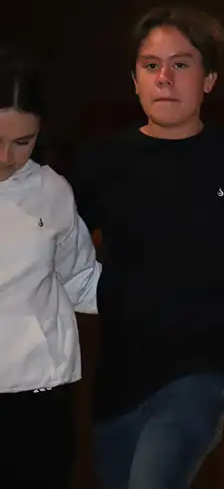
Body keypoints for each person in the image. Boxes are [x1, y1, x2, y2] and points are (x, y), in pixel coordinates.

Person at [70, 8, 224, 489]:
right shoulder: (102, 162)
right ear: (134, 79)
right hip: (117, 381)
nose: (164, 77)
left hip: (202, 373)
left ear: (209, 79)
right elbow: (60, 250)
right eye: (150, 65)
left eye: (181, 64)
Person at [0, 45, 100, 489]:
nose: (6, 157)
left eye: (23, 142)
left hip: (39, 396)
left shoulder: (51, 190)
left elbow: (80, 279)